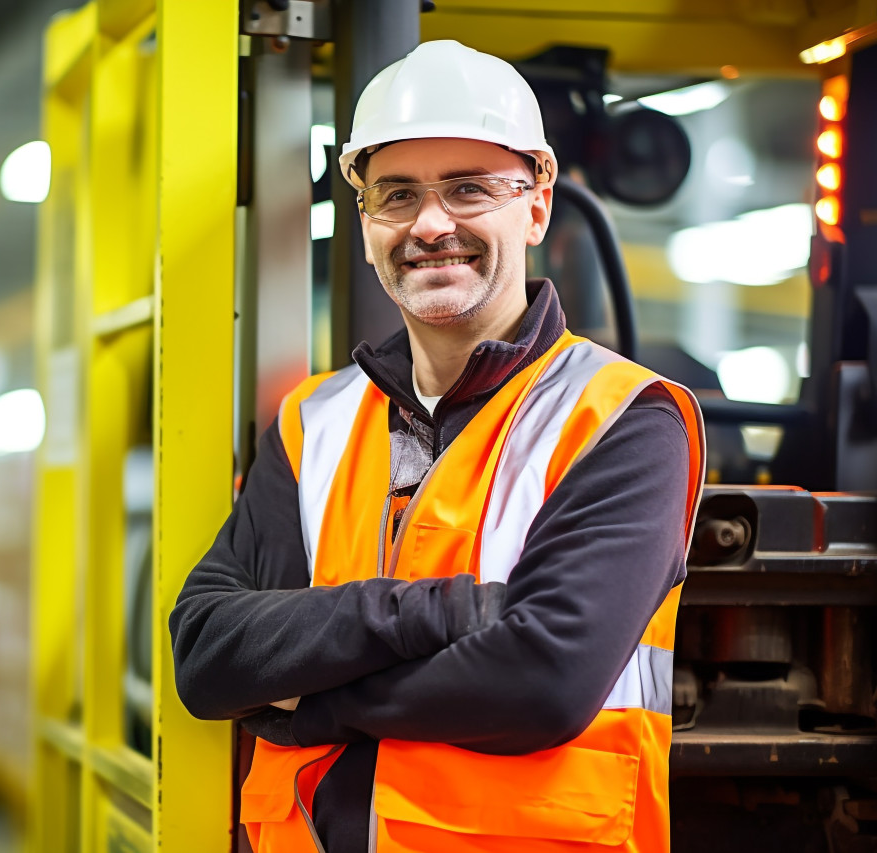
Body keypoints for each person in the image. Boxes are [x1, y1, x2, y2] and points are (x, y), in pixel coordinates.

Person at [170, 39, 705, 853]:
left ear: (536, 205)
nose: (429, 224)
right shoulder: (312, 423)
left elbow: (544, 681)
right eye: (397, 194)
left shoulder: (622, 419)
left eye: (468, 189)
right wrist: (443, 613)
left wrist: (311, 701)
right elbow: (207, 655)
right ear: (364, 223)